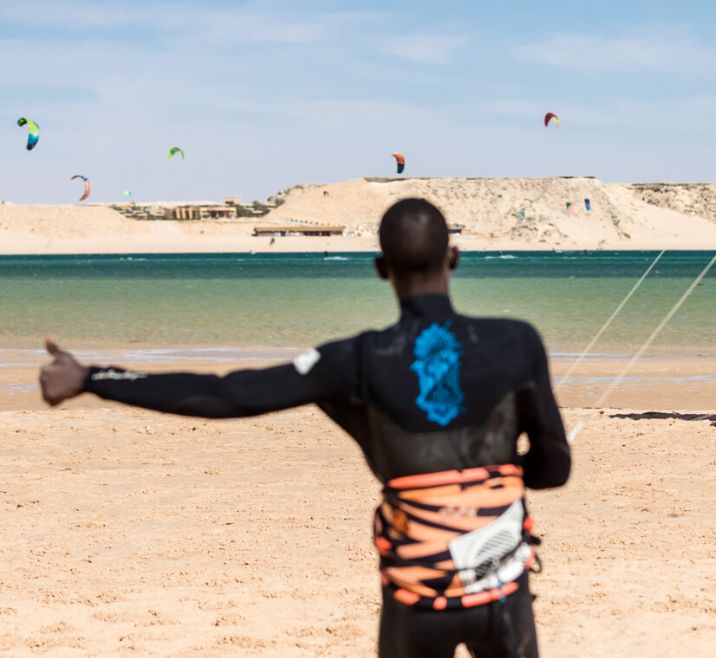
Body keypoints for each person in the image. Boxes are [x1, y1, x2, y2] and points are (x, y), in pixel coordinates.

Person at [40, 198, 571, 658]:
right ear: (453, 259)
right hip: (502, 593)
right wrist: (488, 484)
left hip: (418, 600)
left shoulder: (352, 361)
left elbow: (225, 394)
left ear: (381, 269)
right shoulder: (518, 342)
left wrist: (91, 377)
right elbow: (555, 466)